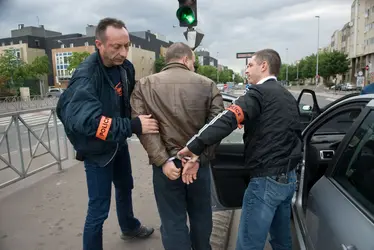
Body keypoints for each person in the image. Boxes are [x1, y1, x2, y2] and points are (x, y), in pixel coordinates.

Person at [178, 49, 303, 250]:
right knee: (281, 241)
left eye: (250, 65)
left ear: (264, 66)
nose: (246, 70)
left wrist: (195, 146)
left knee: (248, 244)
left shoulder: (258, 94)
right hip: (288, 179)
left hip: (265, 181)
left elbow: (227, 118)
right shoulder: (287, 95)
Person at [56, 18, 156, 250]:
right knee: (98, 208)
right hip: (97, 152)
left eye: (126, 46)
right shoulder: (86, 77)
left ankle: (129, 226)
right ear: (99, 44)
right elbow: (90, 123)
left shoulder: (124, 67)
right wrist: (133, 126)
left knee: (125, 186)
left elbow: (129, 99)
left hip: (117, 144)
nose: (123, 52)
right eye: (116, 47)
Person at [130, 42, 224, 250]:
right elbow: (217, 126)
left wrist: (163, 160)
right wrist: (197, 156)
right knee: (201, 216)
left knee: (172, 220)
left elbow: (145, 129)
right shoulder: (207, 85)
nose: (193, 67)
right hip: (198, 166)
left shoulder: (144, 85)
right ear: (185, 60)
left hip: (166, 168)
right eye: (193, 62)